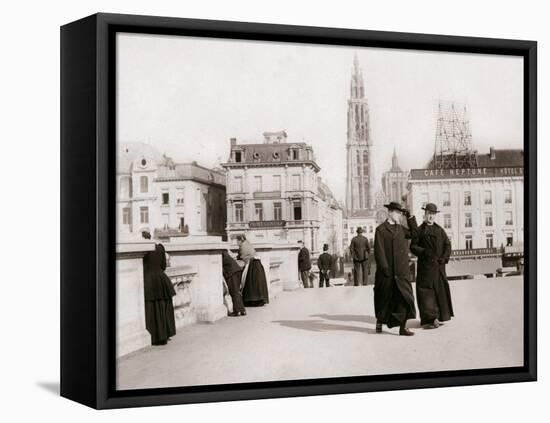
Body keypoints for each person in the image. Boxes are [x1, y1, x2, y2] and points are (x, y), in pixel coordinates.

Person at [373, 202, 418, 336]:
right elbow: (379, 251)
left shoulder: (401, 229)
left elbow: (415, 234)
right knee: (384, 298)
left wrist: (410, 218)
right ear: (390, 212)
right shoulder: (380, 229)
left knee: (404, 297)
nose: (400, 215)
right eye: (398, 213)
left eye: (401, 213)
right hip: (387, 271)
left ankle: (403, 327)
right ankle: (380, 320)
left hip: (401, 270)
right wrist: (384, 268)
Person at [410, 203, 454, 329]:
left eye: (433, 214)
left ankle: (438, 317)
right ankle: (429, 320)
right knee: (426, 294)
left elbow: (447, 245)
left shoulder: (440, 230)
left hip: (439, 268)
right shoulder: (419, 230)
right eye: (429, 214)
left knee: (439, 292)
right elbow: (412, 246)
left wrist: (444, 258)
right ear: (425, 214)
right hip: (425, 268)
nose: (431, 217)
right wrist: (423, 252)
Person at [142, 231, 176, 346]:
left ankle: (155, 337)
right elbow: (163, 266)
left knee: (152, 309)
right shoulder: (160, 247)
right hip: (162, 280)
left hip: (148, 281)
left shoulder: (143, 250)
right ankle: (165, 334)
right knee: (163, 308)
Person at [236, 234, 269, 306]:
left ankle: (251, 301)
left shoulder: (243, 245)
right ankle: (259, 300)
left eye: (237, 241)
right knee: (257, 283)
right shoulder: (248, 243)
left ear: (240, 240)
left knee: (250, 282)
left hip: (252, 265)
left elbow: (244, 257)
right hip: (257, 264)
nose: (236, 243)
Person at [221, 250, 246, 316]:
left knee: (234, 291)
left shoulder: (221, 253)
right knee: (237, 291)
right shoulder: (224, 252)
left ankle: (237, 311)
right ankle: (242, 310)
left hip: (232, 272)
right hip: (236, 270)